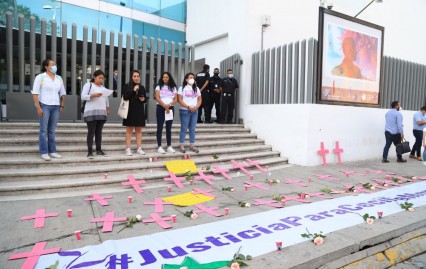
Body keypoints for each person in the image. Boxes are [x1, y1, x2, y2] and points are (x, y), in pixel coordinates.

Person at [31, 58, 66, 161]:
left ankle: (53, 151)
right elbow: (35, 93)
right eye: (52, 64)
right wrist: (38, 107)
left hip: (55, 106)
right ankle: (44, 152)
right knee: (43, 130)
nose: (54, 66)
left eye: (55, 64)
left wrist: (62, 105)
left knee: (51, 131)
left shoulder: (59, 78)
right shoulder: (40, 77)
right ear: (46, 67)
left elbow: (62, 93)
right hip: (44, 105)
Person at [81, 70, 111, 159]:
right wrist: (93, 95)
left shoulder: (103, 87)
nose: (101, 80)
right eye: (99, 78)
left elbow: (106, 98)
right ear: (94, 77)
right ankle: (90, 151)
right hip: (91, 111)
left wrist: (107, 108)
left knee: (99, 132)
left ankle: (99, 150)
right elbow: (83, 96)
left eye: (102, 78)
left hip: (101, 111)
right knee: (91, 132)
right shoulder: (88, 85)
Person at [122, 70, 147, 156]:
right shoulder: (127, 86)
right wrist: (133, 90)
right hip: (130, 110)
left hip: (139, 110)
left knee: (139, 130)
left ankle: (139, 148)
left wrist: (143, 99)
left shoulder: (142, 87)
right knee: (129, 130)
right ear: (131, 77)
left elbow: (144, 99)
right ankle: (128, 149)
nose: (136, 78)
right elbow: (125, 97)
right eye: (134, 76)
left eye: (137, 76)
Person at [178, 72, 202, 153]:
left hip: (195, 111)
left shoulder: (197, 89)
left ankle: (192, 145)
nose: (192, 79)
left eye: (193, 78)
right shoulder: (182, 88)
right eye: (190, 77)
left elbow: (199, 99)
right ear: (186, 79)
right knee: (184, 129)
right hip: (185, 110)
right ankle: (182, 145)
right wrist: (188, 107)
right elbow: (179, 100)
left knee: (192, 129)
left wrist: (196, 107)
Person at [155, 72, 178, 154]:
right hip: (160, 108)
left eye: (166, 77)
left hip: (170, 108)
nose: (165, 78)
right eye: (163, 77)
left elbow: (175, 99)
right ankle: (159, 146)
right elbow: (157, 97)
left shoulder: (173, 87)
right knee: (160, 127)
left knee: (168, 128)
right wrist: (164, 106)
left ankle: (169, 146)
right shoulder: (159, 87)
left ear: (169, 78)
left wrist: (169, 105)